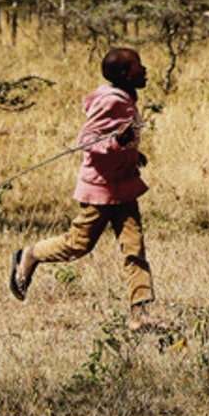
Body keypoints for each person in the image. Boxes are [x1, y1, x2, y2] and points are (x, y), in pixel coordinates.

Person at [10, 46, 161, 329]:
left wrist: (131, 152)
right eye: (138, 65)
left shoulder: (125, 98)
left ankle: (139, 314)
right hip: (102, 189)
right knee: (78, 245)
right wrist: (117, 143)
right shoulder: (112, 102)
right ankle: (31, 254)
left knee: (134, 247)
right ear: (125, 74)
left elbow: (115, 139)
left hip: (124, 186)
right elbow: (87, 140)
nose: (145, 69)